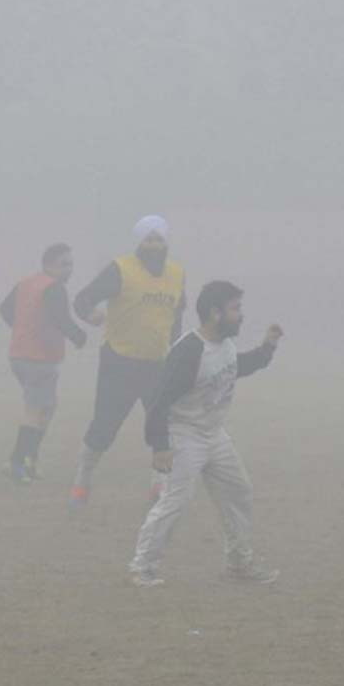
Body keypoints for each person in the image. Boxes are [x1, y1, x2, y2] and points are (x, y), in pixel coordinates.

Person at [128, 280, 283, 587]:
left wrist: (268, 348)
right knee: (176, 500)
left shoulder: (224, 345)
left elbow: (238, 367)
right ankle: (142, 566)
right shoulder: (189, 351)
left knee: (239, 492)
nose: (241, 315)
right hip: (183, 434)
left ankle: (239, 563)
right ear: (215, 313)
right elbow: (159, 401)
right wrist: (160, 445)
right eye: (235, 309)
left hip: (214, 434)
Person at [68, 215, 186, 510]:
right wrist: (90, 315)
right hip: (118, 360)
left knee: (163, 427)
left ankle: (158, 487)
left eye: (159, 239)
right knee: (105, 427)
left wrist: (177, 352)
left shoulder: (176, 273)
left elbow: (177, 318)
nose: (154, 245)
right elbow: (83, 299)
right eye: (149, 239)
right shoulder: (121, 269)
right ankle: (82, 480)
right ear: (139, 242)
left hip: (158, 363)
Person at [0, 243, 87, 483]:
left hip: (19, 356)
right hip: (39, 359)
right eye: (64, 264)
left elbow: (5, 310)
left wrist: (21, 330)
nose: (69, 269)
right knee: (35, 410)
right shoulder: (54, 288)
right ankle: (16, 463)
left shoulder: (26, 283)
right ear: (48, 265)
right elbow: (62, 319)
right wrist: (80, 336)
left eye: (71, 264)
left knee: (46, 408)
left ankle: (29, 459)